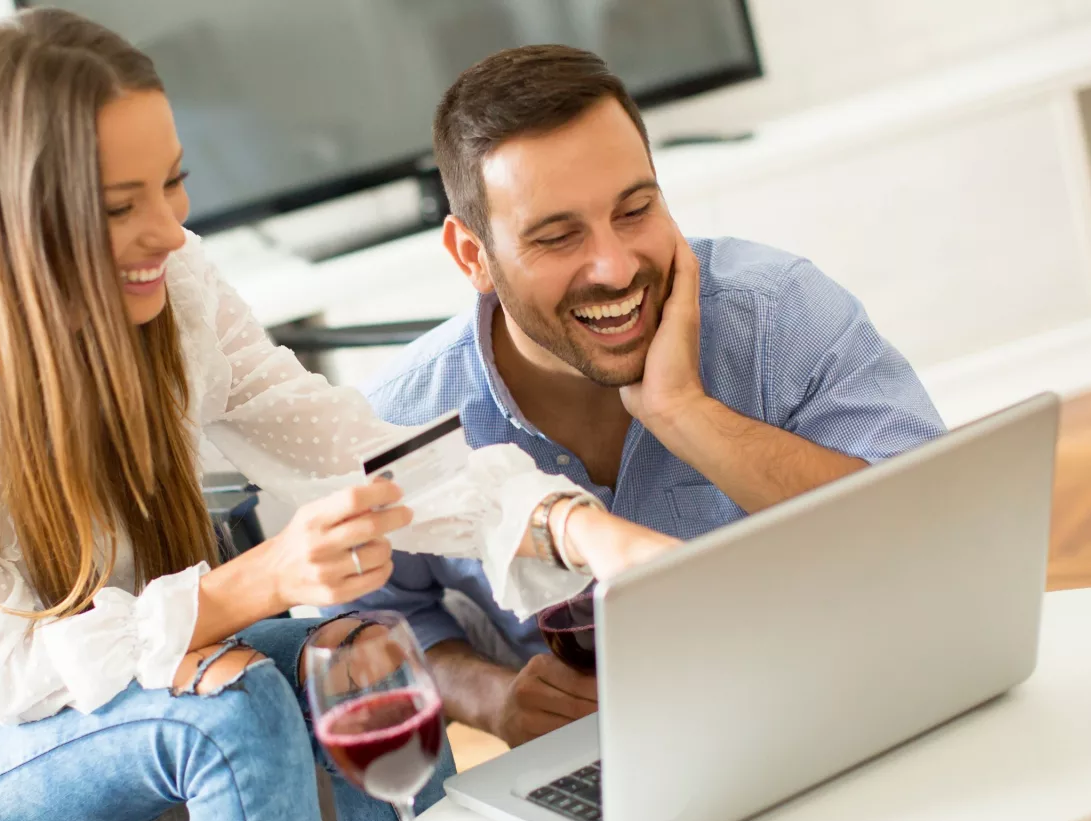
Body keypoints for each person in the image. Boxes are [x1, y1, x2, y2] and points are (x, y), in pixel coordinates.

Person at [0, 12, 677, 821]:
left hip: (114, 690)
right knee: (227, 710)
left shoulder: (177, 287)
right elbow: (6, 671)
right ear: (10, 219)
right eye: (121, 206)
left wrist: (581, 530)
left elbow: (361, 456)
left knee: (364, 654)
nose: (170, 230)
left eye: (173, 182)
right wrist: (265, 578)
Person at [336, 45, 947, 749]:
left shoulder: (780, 312)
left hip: (850, 704)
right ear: (474, 257)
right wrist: (492, 698)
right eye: (558, 237)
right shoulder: (404, 417)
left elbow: (936, 523)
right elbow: (361, 622)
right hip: (610, 764)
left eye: (635, 210)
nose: (616, 266)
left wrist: (686, 414)